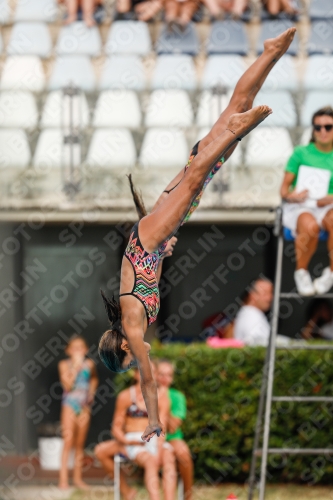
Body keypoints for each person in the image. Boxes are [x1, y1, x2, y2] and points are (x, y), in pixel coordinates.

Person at [98, 28, 296, 442]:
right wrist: (163, 253)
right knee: (224, 124)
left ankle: (236, 130)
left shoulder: (134, 329)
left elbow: (150, 385)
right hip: (151, 236)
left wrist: (154, 421)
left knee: (199, 175)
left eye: (131, 362)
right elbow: (140, 271)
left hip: (149, 234)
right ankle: (270, 56)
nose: (139, 363)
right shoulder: (133, 315)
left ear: (124, 350)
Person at [95, 367, 177, 500]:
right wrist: (126, 441)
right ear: (135, 374)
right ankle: (130, 492)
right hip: (133, 439)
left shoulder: (162, 398)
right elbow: (116, 426)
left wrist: (159, 450)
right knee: (149, 461)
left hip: (154, 438)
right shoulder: (126, 396)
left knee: (168, 458)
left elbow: (162, 427)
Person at [280, 106, 333, 296]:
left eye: (328, 127)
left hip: (328, 206)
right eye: (318, 127)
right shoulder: (300, 153)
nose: (323, 131)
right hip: (302, 206)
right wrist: (292, 196)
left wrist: (329, 198)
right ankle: (301, 271)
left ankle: (331, 273)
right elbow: (284, 190)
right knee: (310, 227)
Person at [58, 335, 99, 489]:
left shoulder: (90, 364)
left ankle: (77, 479)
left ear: (86, 350)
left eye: (80, 348)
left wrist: (91, 393)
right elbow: (67, 385)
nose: (77, 351)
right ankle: (63, 479)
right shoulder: (64, 365)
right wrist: (76, 366)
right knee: (68, 441)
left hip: (84, 407)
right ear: (68, 351)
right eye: (74, 348)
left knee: (80, 444)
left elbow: (94, 379)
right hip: (69, 405)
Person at [156, 360, 193, 500]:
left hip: (171, 438)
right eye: (161, 374)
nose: (165, 379)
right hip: (150, 439)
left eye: (169, 375)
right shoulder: (145, 393)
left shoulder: (177, 396)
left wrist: (164, 400)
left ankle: (188, 496)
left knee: (183, 453)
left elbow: (172, 427)